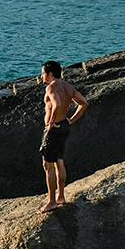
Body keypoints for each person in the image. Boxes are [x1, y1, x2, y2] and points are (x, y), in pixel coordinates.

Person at [37, 61, 89, 214]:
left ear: (50, 73)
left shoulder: (51, 87)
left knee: (48, 165)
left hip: (54, 129)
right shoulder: (68, 87)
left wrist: (51, 122)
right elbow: (84, 103)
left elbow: (56, 103)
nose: (41, 76)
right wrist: (71, 120)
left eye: (43, 73)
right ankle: (61, 196)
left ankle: (52, 201)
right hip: (64, 126)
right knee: (59, 161)